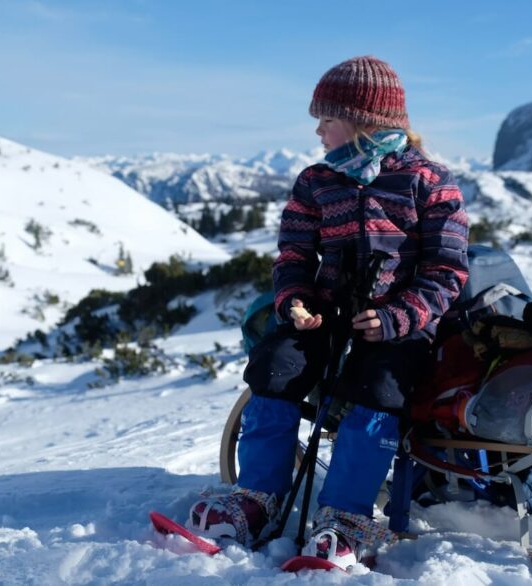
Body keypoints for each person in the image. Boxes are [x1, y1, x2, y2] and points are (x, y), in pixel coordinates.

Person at [188, 55, 470, 569]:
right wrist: (295, 300)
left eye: (327, 118)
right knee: (276, 363)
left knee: (378, 385)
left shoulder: (429, 182)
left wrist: (397, 316)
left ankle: (346, 518)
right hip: (326, 315)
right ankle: (257, 499)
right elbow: (294, 256)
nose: (318, 130)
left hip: (401, 325)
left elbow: (447, 270)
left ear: (365, 122)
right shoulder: (316, 181)